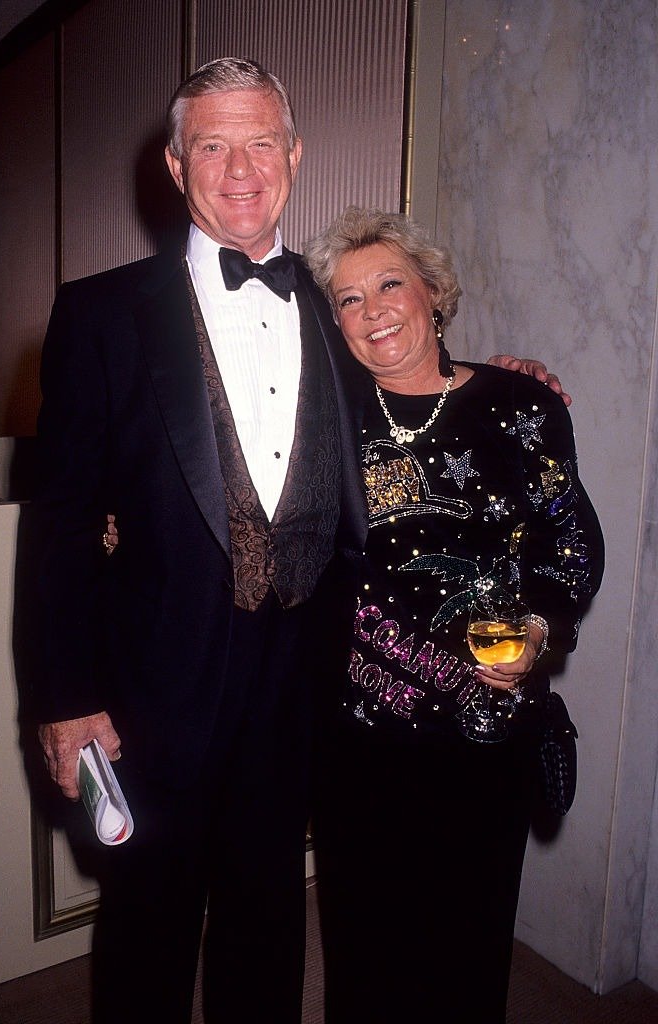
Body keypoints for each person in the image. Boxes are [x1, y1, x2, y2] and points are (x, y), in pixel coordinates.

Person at [30, 59, 569, 1023]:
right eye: (213, 145)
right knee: (148, 931)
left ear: (294, 154)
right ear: (173, 162)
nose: (241, 168)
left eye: (261, 142)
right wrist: (68, 698)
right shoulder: (100, 313)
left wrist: (505, 379)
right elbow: (63, 519)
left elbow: (414, 373)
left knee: (269, 921)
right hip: (158, 684)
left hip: (303, 684)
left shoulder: (331, 304)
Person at [303, 206, 604, 1023]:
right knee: (364, 950)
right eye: (348, 300)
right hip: (359, 731)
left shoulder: (520, 403)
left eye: (390, 284)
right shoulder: (319, 422)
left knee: (467, 948)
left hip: (484, 730)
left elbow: (568, 541)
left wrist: (538, 632)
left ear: (433, 292)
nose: (373, 312)